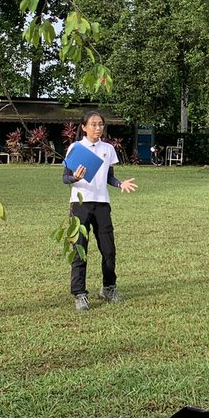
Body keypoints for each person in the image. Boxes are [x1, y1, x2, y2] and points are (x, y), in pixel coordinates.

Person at [63, 111, 138, 310]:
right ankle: (79, 294)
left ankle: (108, 288)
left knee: (108, 249)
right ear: (84, 127)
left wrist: (120, 184)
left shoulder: (108, 148)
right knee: (80, 249)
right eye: (94, 124)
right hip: (80, 205)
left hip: (102, 204)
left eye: (101, 125)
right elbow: (65, 178)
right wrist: (75, 178)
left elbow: (109, 177)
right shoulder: (75, 148)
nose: (98, 128)